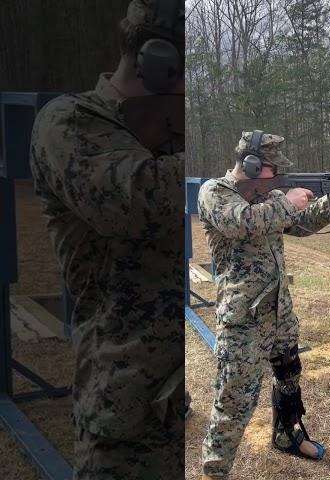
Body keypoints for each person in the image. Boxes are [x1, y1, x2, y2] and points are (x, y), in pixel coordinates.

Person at [29, 1, 185, 478]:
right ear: (160, 62)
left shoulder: (167, 130)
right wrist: (229, 167)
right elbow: (137, 199)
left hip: (176, 397)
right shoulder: (70, 122)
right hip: (124, 403)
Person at [198, 131, 330, 479]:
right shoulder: (215, 193)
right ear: (252, 164)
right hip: (243, 318)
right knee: (234, 402)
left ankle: (287, 434)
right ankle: (214, 473)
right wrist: (287, 201)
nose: (279, 176)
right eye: (274, 169)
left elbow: (298, 226)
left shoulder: (270, 196)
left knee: (289, 374)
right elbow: (243, 223)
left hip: (278, 309)